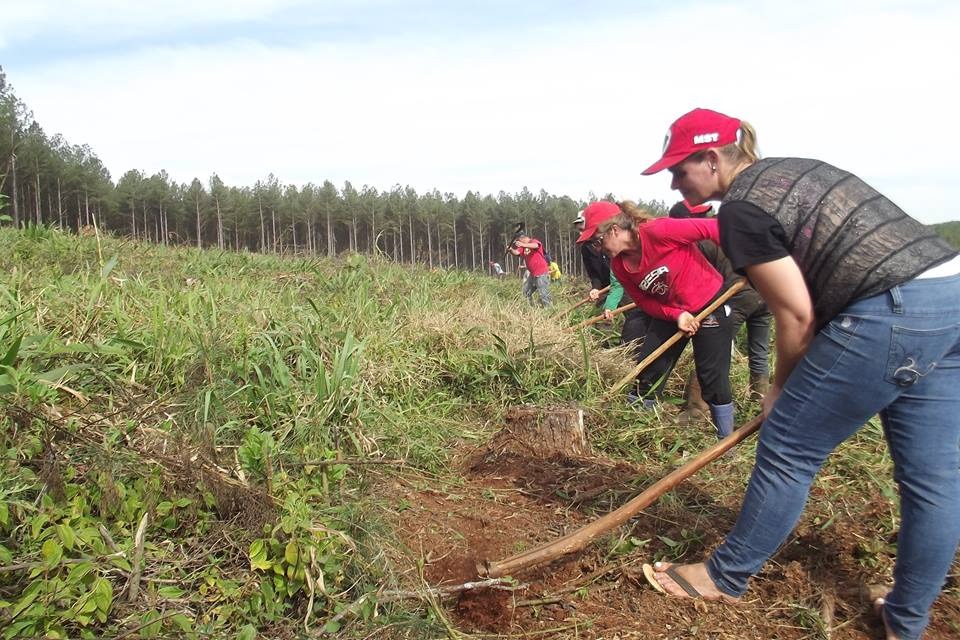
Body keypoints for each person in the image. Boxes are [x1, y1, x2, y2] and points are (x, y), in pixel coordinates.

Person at [640, 107, 960, 640]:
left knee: (788, 446)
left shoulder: (740, 208)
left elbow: (795, 314)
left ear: (713, 158)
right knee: (933, 479)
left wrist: (780, 388)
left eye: (679, 168)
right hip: (950, 296)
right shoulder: (796, 169)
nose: (674, 181)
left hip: (891, 308)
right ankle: (906, 620)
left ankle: (724, 575)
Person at [577, 200, 737, 437]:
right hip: (672, 311)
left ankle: (725, 443)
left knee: (712, 378)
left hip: (710, 304)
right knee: (649, 371)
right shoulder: (619, 265)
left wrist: (747, 261)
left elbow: (713, 229)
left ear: (614, 230)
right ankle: (634, 434)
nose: (597, 249)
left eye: (597, 241)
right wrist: (677, 315)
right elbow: (644, 302)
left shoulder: (658, 231)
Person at [667, 199, 774, 422]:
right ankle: (760, 402)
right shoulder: (727, 230)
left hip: (736, 295)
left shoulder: (700, 241)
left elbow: (701, 281)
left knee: (711, 351)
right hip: (764, 293)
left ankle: (697, 409)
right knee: (759, 352)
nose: (705, 218)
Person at [508, 232, 552, 307]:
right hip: (532, 274)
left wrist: (523, 244)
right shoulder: (522, 247)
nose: (518, 243)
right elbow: (516, 252)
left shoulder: (533, 241)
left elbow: (536, 245)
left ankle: (549, 310)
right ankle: (530, 308)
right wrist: (511, 250)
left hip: (541, 272)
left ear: (522, 238)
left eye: (518, 241)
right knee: (526, 292)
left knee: (543, 293)